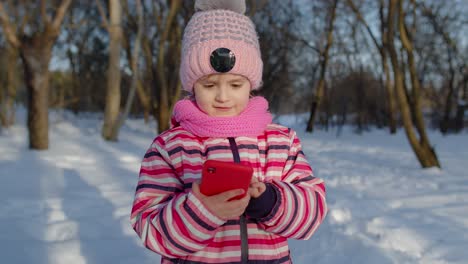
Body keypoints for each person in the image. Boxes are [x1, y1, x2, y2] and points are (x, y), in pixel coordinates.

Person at [130, 1, 327, 263]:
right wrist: (200, 211)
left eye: (235, 84)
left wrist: (271, 202)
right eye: (209, 84)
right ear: (192, 85)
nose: (223, 97)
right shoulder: (171, 147)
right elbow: (149, 228)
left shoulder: (281, 142)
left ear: (251, 84)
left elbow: (313, 211)